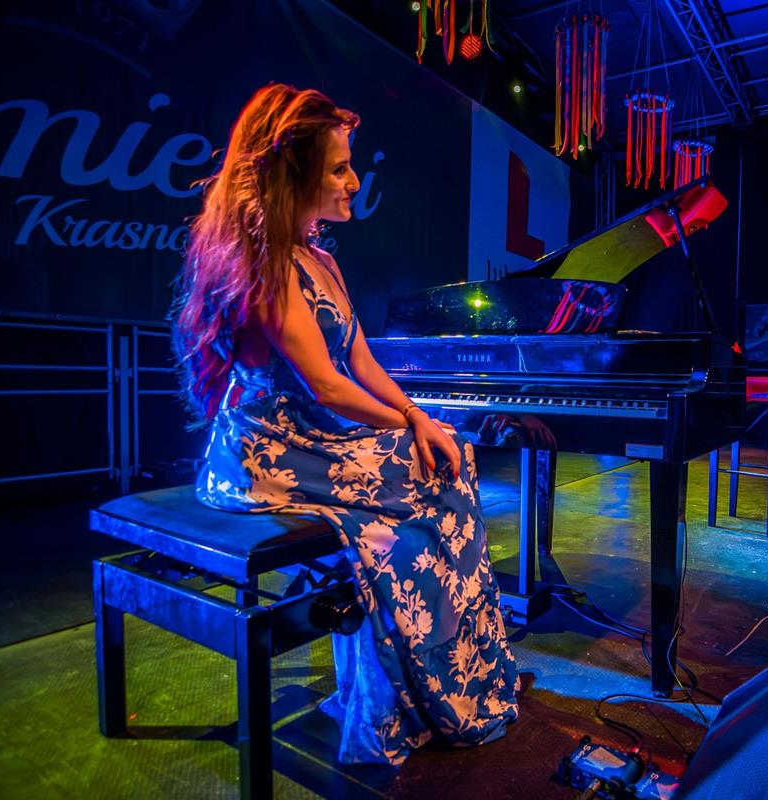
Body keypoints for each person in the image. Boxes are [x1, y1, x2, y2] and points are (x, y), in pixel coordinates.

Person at [171, 84, 519, 765]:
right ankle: (428, 691)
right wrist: (413, 427)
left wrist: (417, 419)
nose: (354, 181)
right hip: (265, 454)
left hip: (315, 439)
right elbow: (326, 385)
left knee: (449, 464)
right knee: (430, 477)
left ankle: (459, 680)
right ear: (292, 174)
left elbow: (360, 361)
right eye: (338, 168)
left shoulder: (322, 260)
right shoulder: (264, 260)